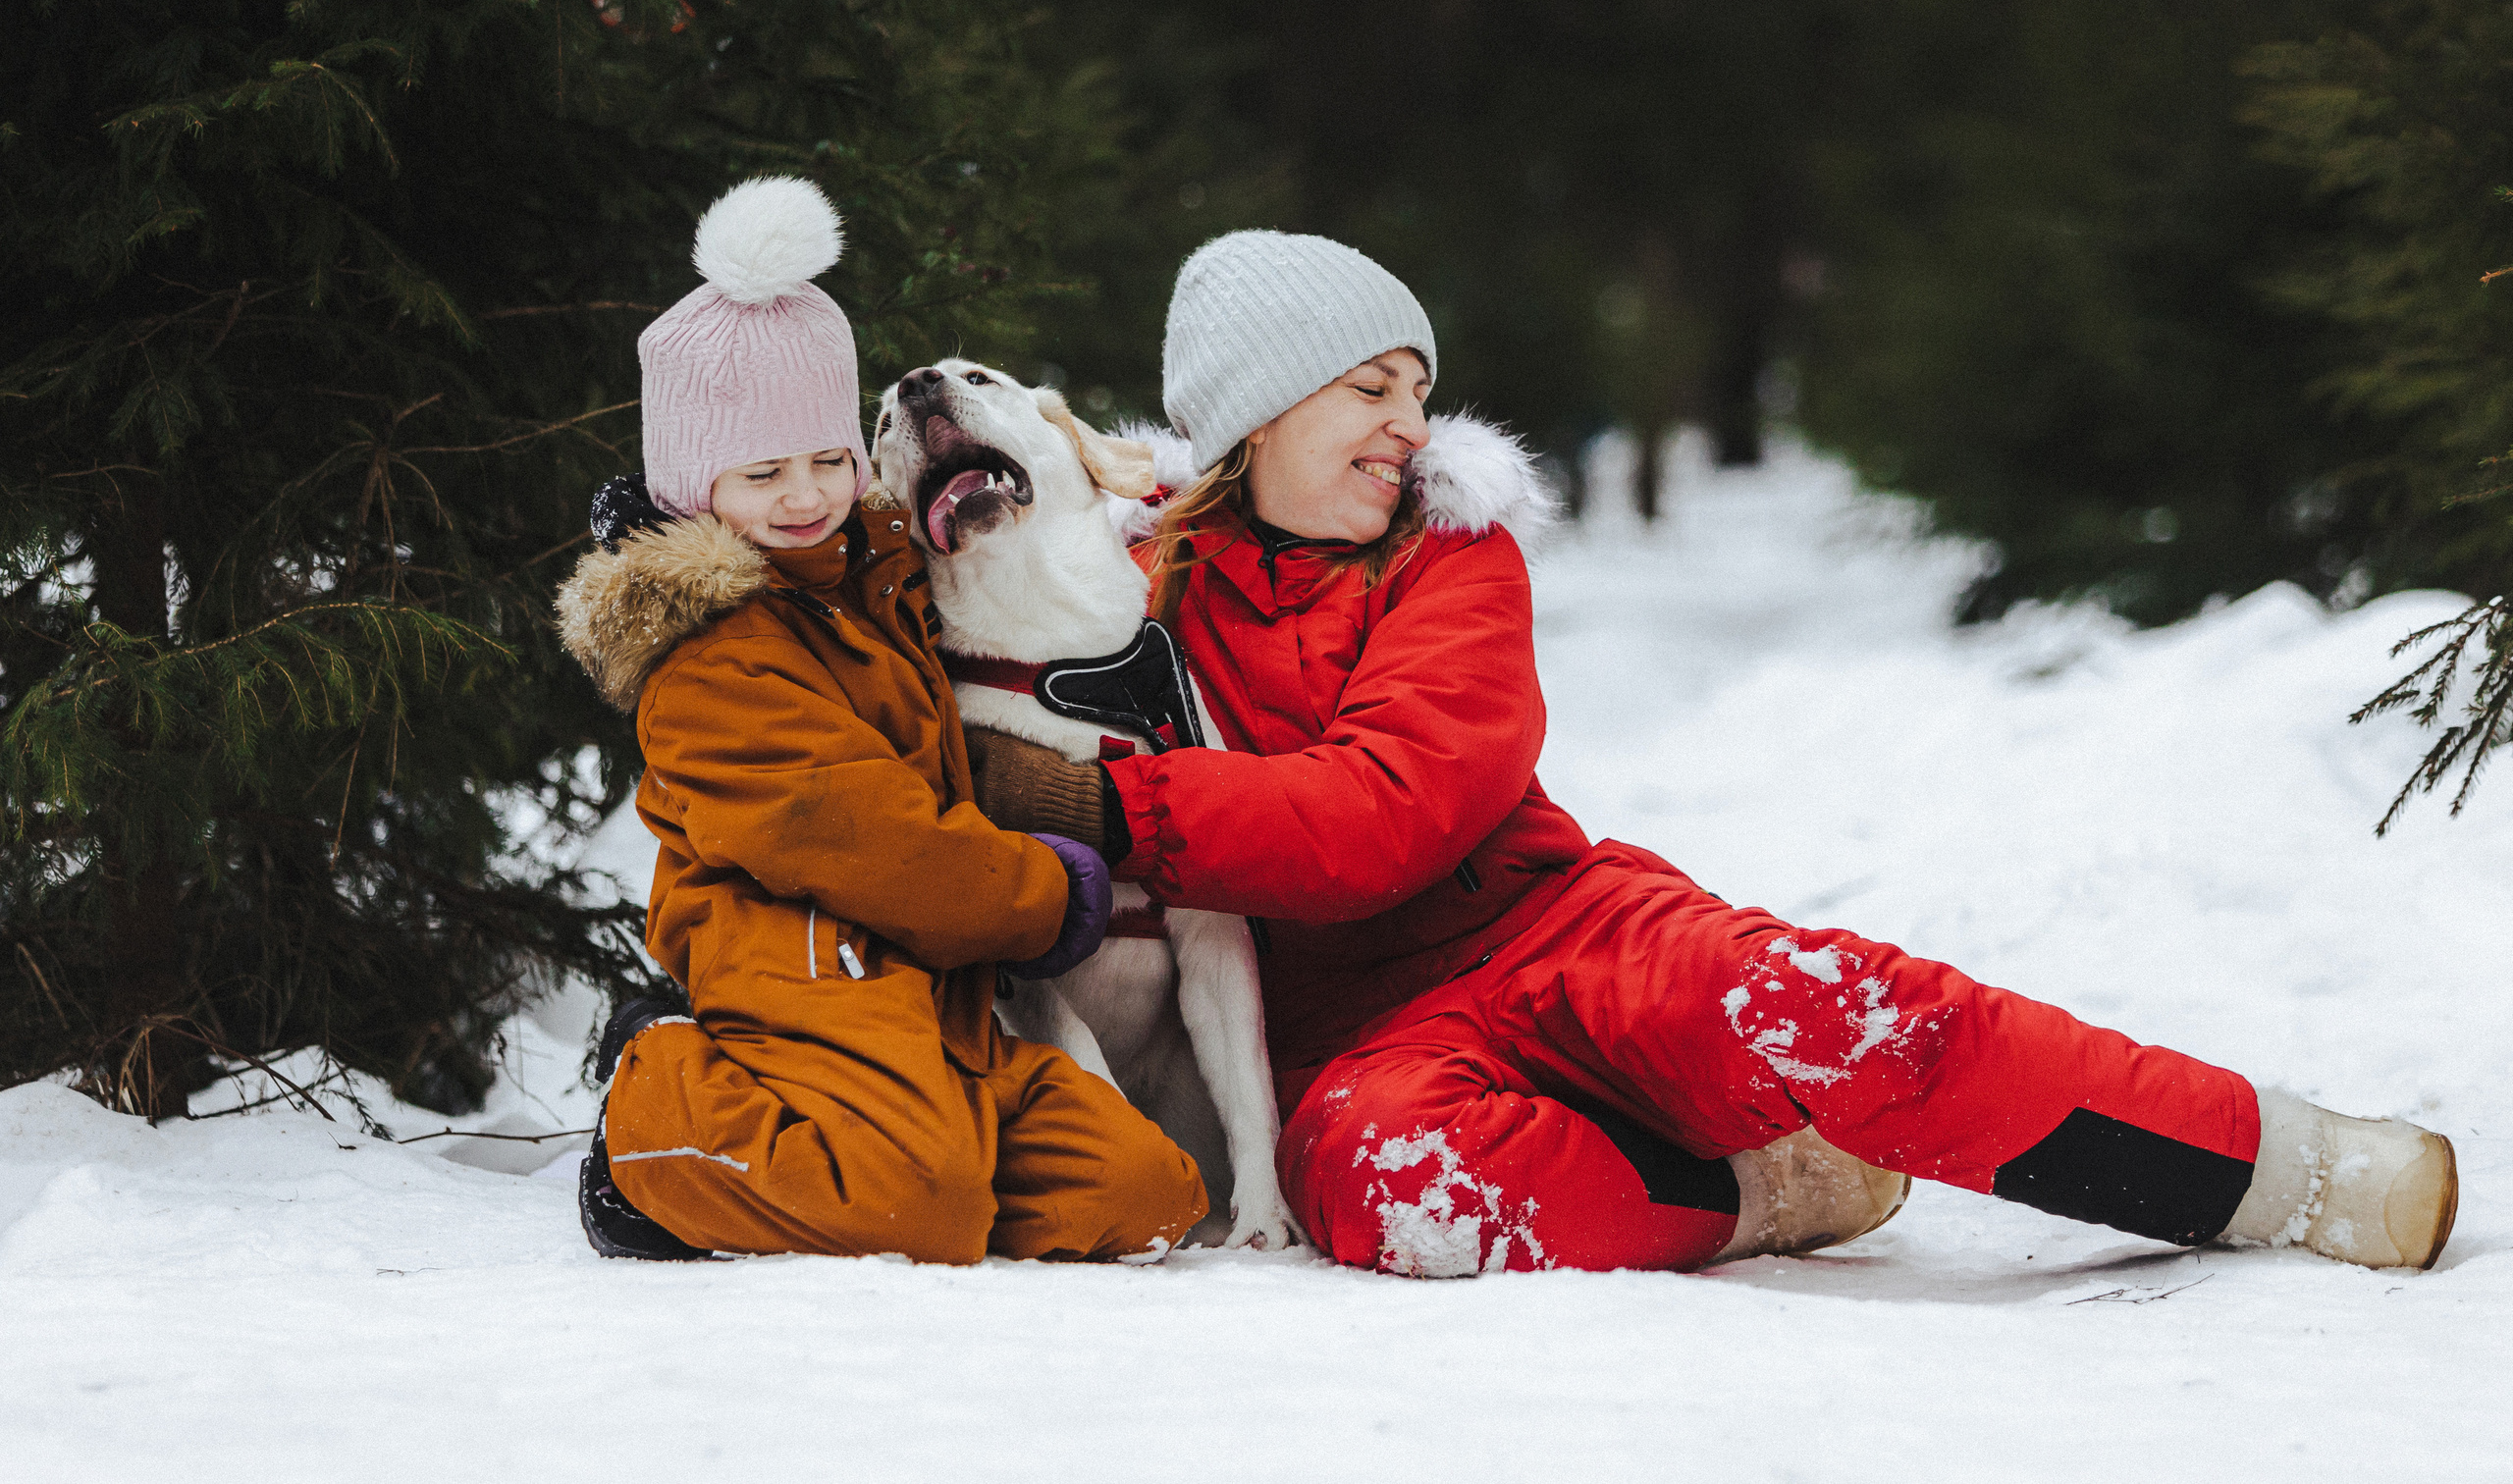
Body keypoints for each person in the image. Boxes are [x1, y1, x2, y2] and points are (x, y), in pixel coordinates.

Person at [966, 229, 2460, 1277]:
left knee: (1828, 1007)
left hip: (1559, 925)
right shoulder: (1135, 587)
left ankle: (2292, 1168)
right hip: (1359, 1042)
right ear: (1259, 411)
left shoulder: (1455, 558)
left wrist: (1101, 802)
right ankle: (1766, 1187)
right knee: (1387, 1184)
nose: (1410, 427)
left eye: (1419, 388)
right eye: (1374, 389)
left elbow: (1386, 813)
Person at [553, 176, 1204, 1262]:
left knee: (1146, 1193)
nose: (803, 495)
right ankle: (656, 1108)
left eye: (825, 460)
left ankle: (907, 1145)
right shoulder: (711, 658)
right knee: (919, 1207)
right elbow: (864, 838)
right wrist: (1044, 895)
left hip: (931, 986)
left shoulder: (885, 575)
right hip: (796, 968)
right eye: (761, 472)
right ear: (690, 483)